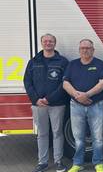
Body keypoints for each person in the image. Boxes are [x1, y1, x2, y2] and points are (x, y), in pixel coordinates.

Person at [23, 33, 69, 172]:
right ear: (41, 43)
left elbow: (65, 83)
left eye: (51, 41)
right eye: (45, 41)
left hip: (57, 104)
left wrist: (50, 99)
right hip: (38, 105)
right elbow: (27, 81)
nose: (48, 43)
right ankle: (42, 162)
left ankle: (58, 161)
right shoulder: (34, 61)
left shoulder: (62, 61)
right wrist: (36, 99)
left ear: (55, 43)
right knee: (42, 134)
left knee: (57, 133)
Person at [63, 39, 103, 172]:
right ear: (79, 50)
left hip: (96, 106)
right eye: (82, 48)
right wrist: (79, 97)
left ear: (93, 50)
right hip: (76, 106)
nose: (85, 50)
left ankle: (98, 163)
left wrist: (86, 95)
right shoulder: (72, 65)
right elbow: (65, 84)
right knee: (78, 138)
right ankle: (77, 164)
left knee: (98, 138)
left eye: (88, 48)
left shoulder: (100, 64)